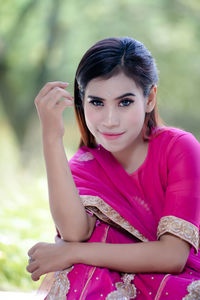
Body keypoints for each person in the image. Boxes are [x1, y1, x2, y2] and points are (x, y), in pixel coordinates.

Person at [26, 37, 200, 299]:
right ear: (82, 103)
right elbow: (75, 233)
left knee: (81, 260)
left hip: (177, 281)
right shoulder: (86, 165)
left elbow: (173, 256)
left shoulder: (180, 148)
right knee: (83, 271)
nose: (110, 120)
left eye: (125, 102)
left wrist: (73, 252)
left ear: (150, 98)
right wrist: (51, 137)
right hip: (115, 282)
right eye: (97, 102)